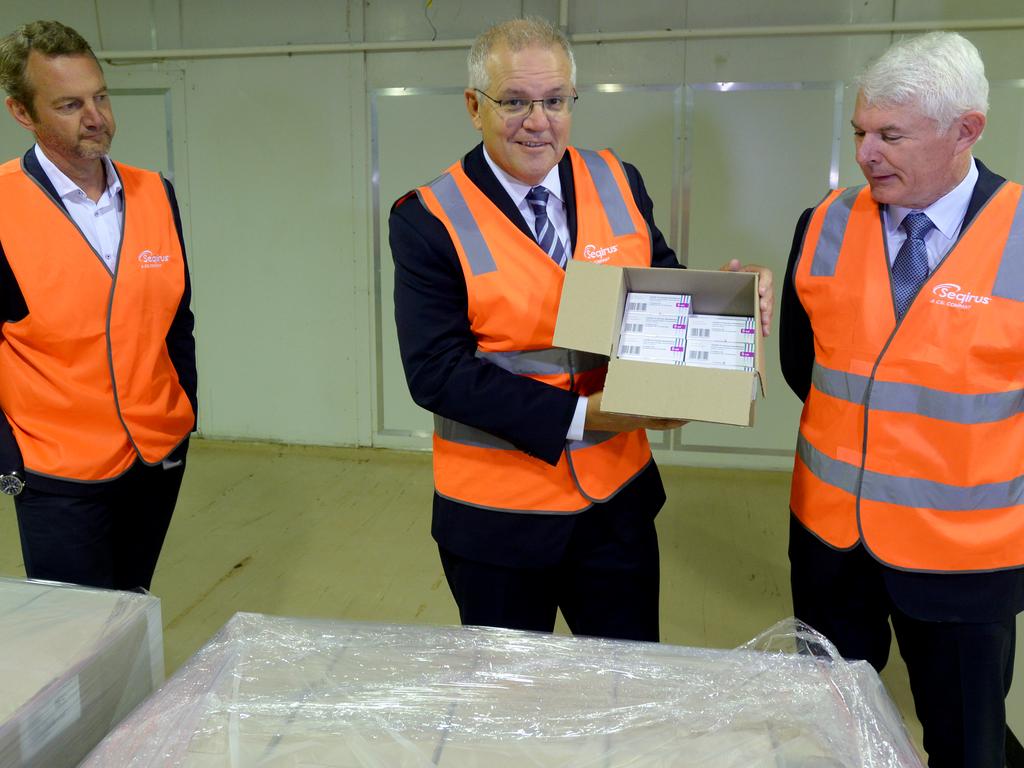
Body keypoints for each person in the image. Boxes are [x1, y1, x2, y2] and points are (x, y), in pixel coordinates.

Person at [390, 17, 773, 641]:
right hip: (499, 520)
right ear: (473, 107)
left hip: (615, 509)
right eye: (513, 101)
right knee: (516, 716)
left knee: (626, 693)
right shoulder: (428, 217)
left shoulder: (618, 179)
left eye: (555, 100)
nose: (537, 121)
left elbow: (660, 290)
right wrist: (585, 416)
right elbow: (435, 374)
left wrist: (729, 300)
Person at [780, 31, 1022, 767]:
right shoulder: (822, 224)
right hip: (829, 546)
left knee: (964, 743)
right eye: (860, 132)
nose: (865, 153)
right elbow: (803, 366)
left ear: (966, 131)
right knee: (834, 735)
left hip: (964, 560)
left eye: (890, 134)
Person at [0, 20, 197, 592]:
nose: (96, 118)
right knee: (75, 640)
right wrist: (8, 458)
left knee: (131, 606)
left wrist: (184, 411)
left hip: (155, 456)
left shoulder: (154, 192)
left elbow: (177, 322)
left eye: (101, 97)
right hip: (56, 474)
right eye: (69, 104)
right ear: (23, 113)